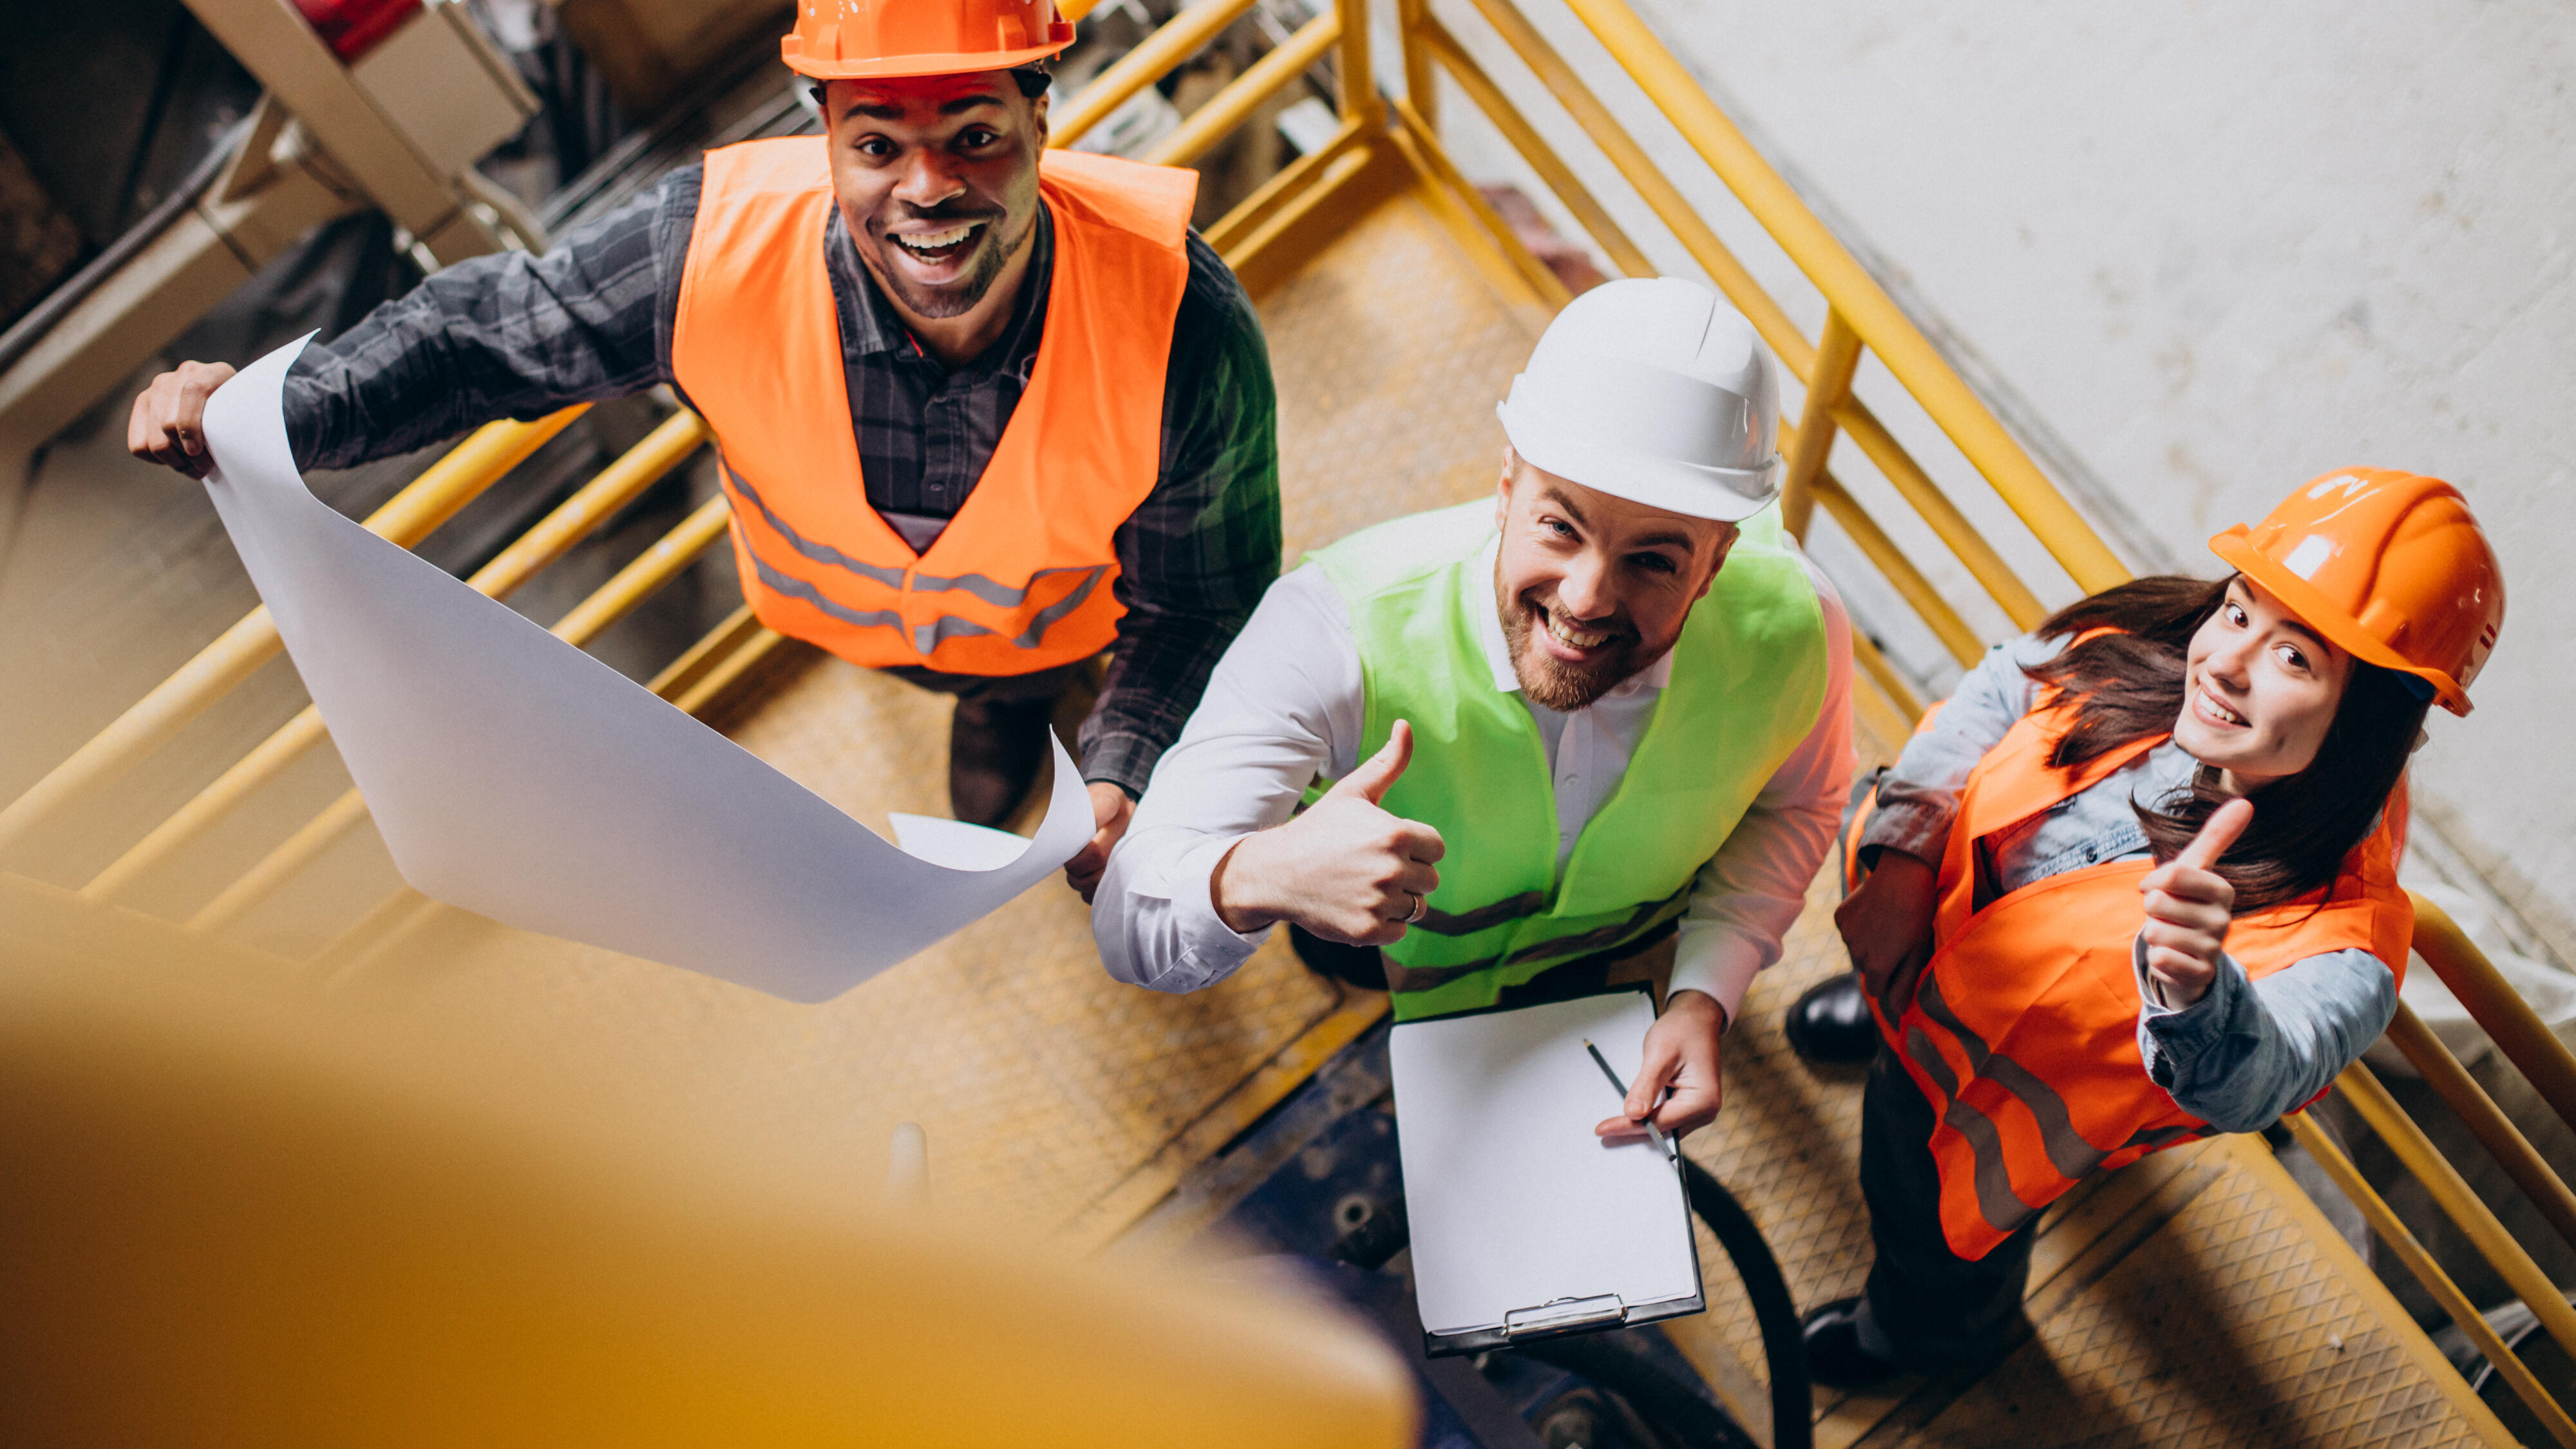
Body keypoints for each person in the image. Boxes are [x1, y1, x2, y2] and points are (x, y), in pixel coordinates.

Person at [125, 0, 1279, 897]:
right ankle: (982, 704)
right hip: (853, 615)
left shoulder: (1183, 330)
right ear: (823, 134)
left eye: (975, 136)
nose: (930, 190)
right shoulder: (705, 251)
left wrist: (1125, 763)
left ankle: (1011, 706)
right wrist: (276, 409)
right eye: (879, 145)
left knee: (1020, 680)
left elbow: (1194, 601)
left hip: (1050, 615)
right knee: (963, 683)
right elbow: (488, 337)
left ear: (1043, 119)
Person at [1789, 469, 2506, 1387]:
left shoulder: (2347, 943)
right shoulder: (2150, 644)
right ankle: (1898, 1023)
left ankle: (1931, 1336)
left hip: (1985, 1109)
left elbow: (2258, 1079)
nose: (2226, 663)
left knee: (1926, 1208)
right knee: (1904, 1071)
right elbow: (2005, 683)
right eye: (2242, 611)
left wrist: (2194, 988)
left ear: (2374, 721)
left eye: (2297, 659)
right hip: (1924, 956)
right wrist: (1905, 859)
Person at [1092, 278, 1852, 1141]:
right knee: (1338, 952)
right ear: (1504, 487)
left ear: (1716, 564)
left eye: (1652, 561)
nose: (1587, 600)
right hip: (1380, 945)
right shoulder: (1332, 630)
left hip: (1618, 945)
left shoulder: (1799, 629)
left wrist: (1705, 990)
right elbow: (1129, 916)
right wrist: (1269, 874)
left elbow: (1799, 805)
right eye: (1561, 528)